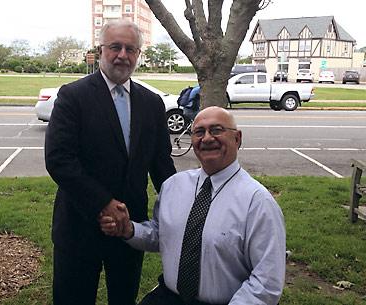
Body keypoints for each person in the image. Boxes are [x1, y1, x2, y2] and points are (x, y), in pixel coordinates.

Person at [45, 19, 176, 305]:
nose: (122, 55)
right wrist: (103, 203)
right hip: (79, 226)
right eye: (115, 47)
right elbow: (59, 160)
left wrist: (180, 208)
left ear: (138, 55)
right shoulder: (72, 96)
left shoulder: (152, 103)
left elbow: (162, 166)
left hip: (131, 229)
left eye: (131, 49)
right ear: (101, 49)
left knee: (123, 299)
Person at [101, 106, 286, 305]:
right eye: (199, 132)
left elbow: (266, 282)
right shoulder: (174, 186)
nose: (207, 138)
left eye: (216, 130)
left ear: (237, 138)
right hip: (168, 297)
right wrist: (129, 230)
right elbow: (161, 235)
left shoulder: (258, 202)